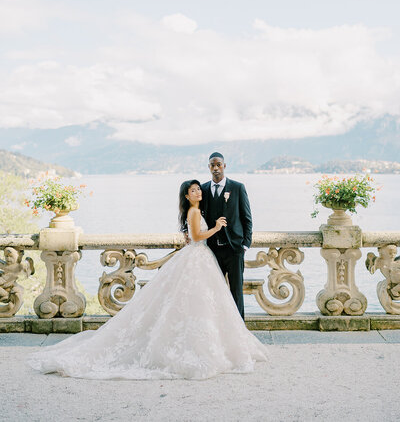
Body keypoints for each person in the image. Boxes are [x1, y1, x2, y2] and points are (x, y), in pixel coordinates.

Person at [27, 179, 267, 380]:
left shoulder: (197, 210)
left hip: (200, 258)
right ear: (186, 195)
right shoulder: (195, 212)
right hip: (197, 255)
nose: (198, 192)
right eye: (193, 190)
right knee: (196, 302)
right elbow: (195, 236)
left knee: (199, 304)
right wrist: (215, 228)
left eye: (198, 189)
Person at [202, 152, 252, 319]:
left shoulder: (237, 187)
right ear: (209, 167)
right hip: (212, 250)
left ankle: (240, 328)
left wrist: (245, 245)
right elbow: (194, 214)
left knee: (236, 291)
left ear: (224, 166)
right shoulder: (202, 189)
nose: (216, 168)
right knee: (213, 290)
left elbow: (246, 218)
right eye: (212, 165)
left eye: (219, 165)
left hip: (234, 249)